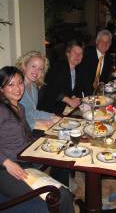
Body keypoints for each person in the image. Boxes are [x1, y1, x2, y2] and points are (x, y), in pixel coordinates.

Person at [0, 66, 74, 213]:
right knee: (62, 195)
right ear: (1, 89)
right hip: (8, 170)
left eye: (20, 83)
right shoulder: (1, 110)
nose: (17, 88)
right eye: (11, 84)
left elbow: (27, 136)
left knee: (65, 152)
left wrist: (48, 141)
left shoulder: (19, 107)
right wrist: (6, 162)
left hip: (25, 157)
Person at [16, 51, 60, 130]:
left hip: (27, 128)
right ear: (24, 66)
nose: (37, 71)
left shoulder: (33, 86)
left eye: (40, 69)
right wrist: (36, 123)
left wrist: (52, 116)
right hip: (17, 132)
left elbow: (32, 112)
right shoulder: (16, 88)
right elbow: (13, 117)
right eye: (33, 66)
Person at [37, 40, 83, 114]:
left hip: (63, 109)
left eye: (80, 53)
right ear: (68, 53)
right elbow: (52, 89)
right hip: (49, 109)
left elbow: (71, 90)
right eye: (75, 52)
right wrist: (69, 100)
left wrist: (74, 97)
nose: (78, 56)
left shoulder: (77, 70)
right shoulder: (59, 66)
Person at [77, 29, 113, 96]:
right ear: (96, 41)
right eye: (102, 41)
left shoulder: (109, 58)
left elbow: (105, 77)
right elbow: (82, 78)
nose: (104, 44)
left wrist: (102, 83)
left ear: (110, 44)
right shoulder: (86, 54)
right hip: (84, 93)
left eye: (107, 42)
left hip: (99, 93)